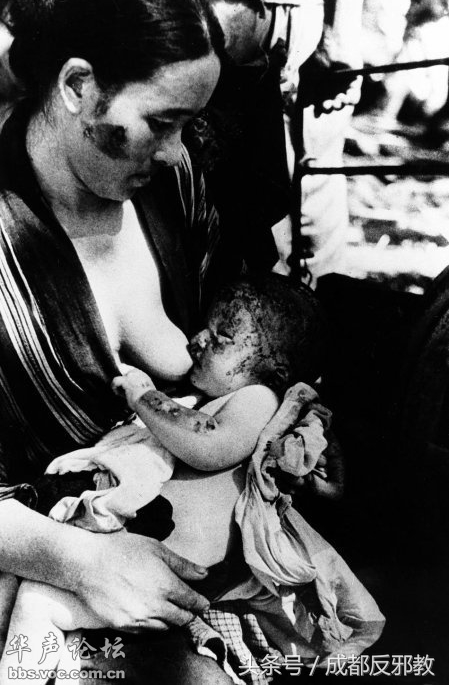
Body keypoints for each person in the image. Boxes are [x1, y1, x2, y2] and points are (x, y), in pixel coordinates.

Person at [0, 0, 244, 682]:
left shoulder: (175, 184)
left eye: (189, 124)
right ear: (78, 85)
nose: (174, 150)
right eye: (160, 123)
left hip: (185, 530)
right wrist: (80, 562)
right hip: (41, 558)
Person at [0, 276, 383, 683]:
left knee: (39, 602)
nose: (198, 340)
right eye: (205, 328)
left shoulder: (260, 398)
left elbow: (208, 445)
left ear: (276, 370)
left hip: (172, 574)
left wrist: (143, 397)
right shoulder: (217, 400)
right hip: (149, 567)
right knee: (34, 600)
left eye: (221, 339)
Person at [207, 0, 365, 284]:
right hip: (241, 16)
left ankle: (304, 299)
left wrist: (340, 35)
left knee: (295, 184)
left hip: (269, 19)